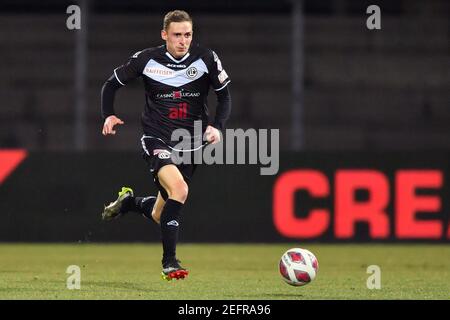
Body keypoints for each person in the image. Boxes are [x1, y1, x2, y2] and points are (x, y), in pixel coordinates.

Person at [100, 10, 231, 281]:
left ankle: (129, 203)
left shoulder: (206, 59)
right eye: (177, 35)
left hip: (192, 145)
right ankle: (169, 261)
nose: (183, 41)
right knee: (180, 189)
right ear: (164, 35)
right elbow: (111, 85)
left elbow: (224, 97)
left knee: (161, 214)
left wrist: (217, 126)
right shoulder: (147, 59)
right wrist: (108, 114)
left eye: (188, 35)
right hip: (156, 138)